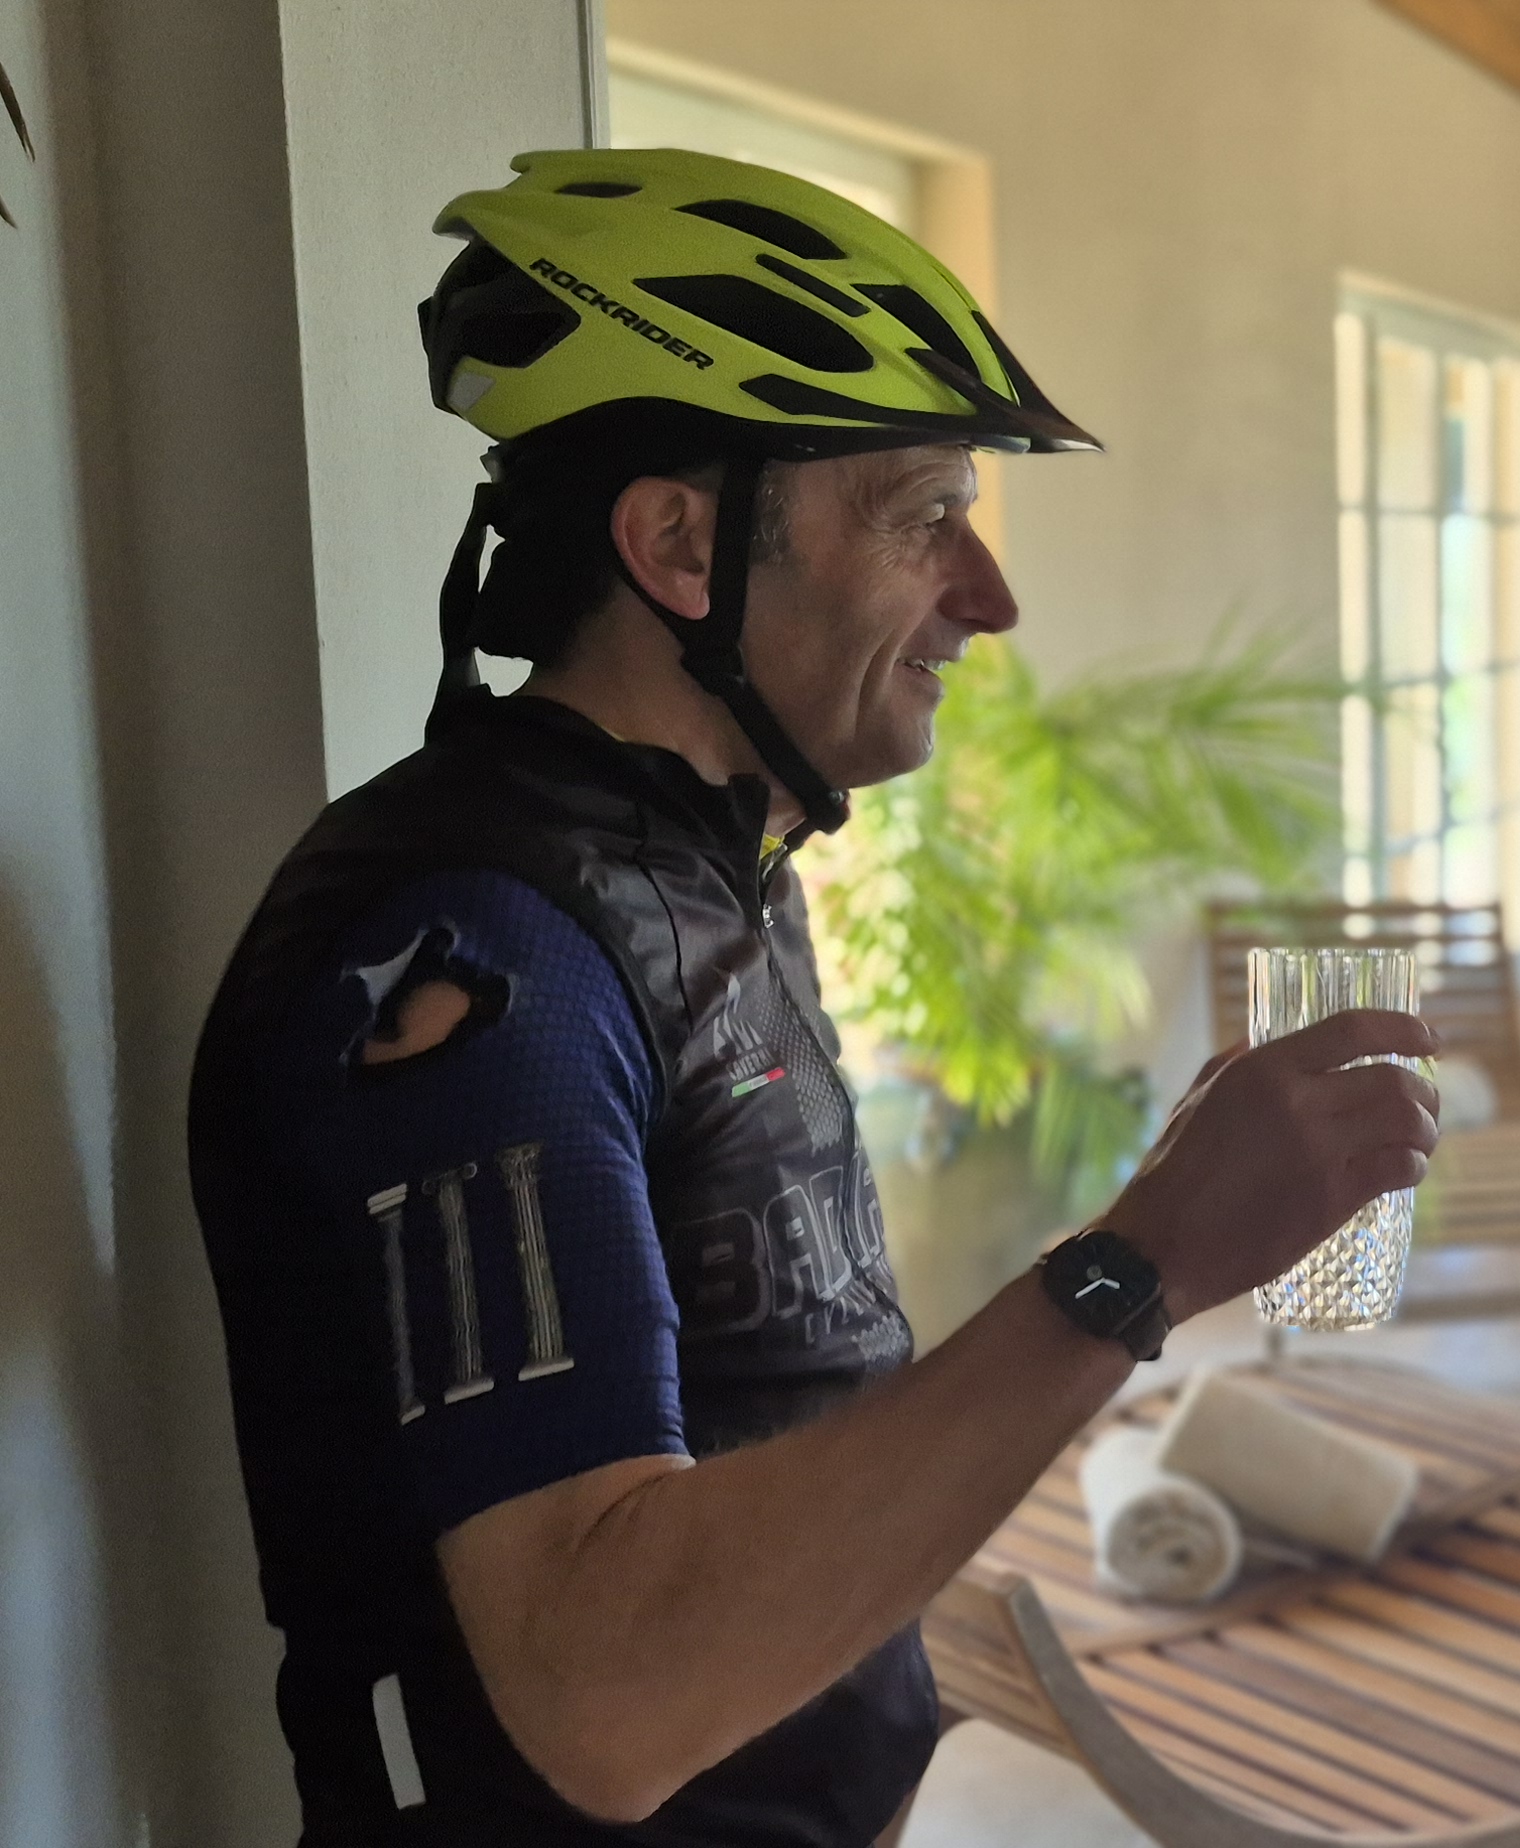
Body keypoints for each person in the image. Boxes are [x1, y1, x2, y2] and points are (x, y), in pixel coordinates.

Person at [188, 146, 1437, 1845]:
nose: (988, 597)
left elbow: (772, 1430)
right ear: (679, 543)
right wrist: (1139, 1265)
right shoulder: (480, 951)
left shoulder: (711, 868)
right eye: (924, 515)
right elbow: (605, 1700)